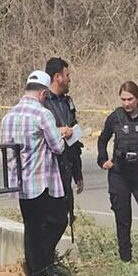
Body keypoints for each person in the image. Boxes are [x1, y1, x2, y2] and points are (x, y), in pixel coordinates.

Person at [0, 70, 74, 276]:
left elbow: (7, 151)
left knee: (32, 228)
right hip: (42, 182)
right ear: (43, 94)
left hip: (21, 183)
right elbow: (57, 147)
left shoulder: (8, 117)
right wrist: (63, 133)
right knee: (57, 221)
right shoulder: (43, 115)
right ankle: (42, 267)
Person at [97, 81, 138, 262]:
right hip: (119, 173)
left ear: (137, 98)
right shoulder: (115, 117)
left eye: (130, 99)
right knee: (122, 218)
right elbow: (103, 139)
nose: (126, 103)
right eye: (123, 99)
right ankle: (125, 259)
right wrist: (103, 160)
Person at [43, 58, 83, 251]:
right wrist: (58, 131)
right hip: (50, 171)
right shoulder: (43, 103)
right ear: (57, 77)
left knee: (65, 216)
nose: (69, 80)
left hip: (67, 167)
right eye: (67, 76)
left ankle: (50, 260)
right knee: (51, 219)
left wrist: (78, 173)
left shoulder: (67, 102)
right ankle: (43, 264)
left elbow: (75, 140)